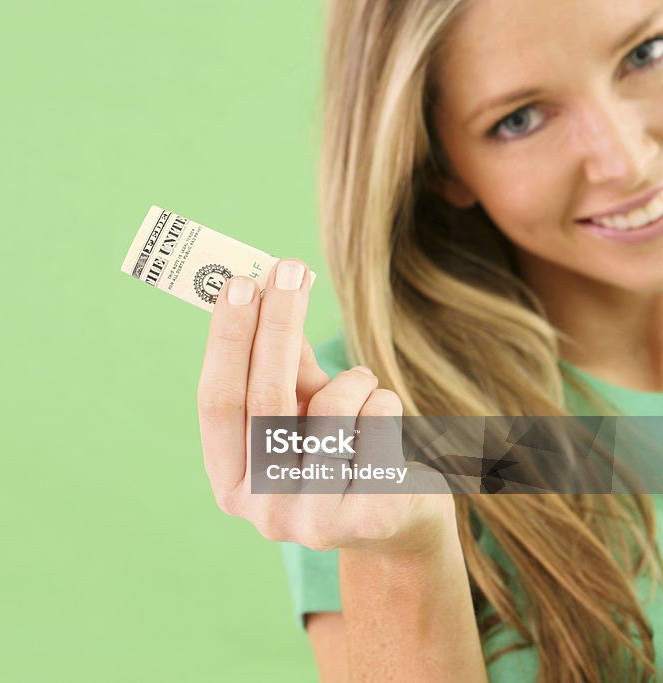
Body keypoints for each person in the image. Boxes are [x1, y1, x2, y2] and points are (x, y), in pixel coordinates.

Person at [195, 0, 663, 680]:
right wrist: (401, 551)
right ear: (440, 166)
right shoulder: (368, 419)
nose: (626, 160)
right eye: (520, 119)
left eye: (647, 53)